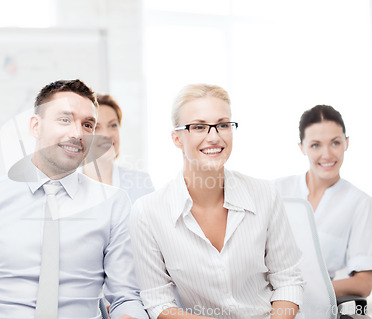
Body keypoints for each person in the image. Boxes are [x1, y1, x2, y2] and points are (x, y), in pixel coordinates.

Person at [0, 79, 148, 319]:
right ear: (35, 126)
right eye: (65, 119)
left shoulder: (113, 204)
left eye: (88, 125)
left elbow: (126, 298)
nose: (78, 133)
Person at [130, 84, 304, 319]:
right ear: (177, 138)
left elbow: (288, 280)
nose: (214, 137)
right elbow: (159, 302)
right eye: (199, 127)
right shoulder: (148, 212)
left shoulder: (265, 194)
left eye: (223, 125)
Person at [275, 104, 372, 298]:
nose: (327, 154)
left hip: (316, 306)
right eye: (315, 145)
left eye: (335, 143)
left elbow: (364, 283)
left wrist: (304, 291)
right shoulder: (277, 190)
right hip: (264, 300)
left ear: (347, 143)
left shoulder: (359, 203)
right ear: (302, 148)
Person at [82, 93, 154, 203]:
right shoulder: (64, 187)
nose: (107, 134)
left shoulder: (140, 183)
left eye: (113, 125)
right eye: (96, 127)